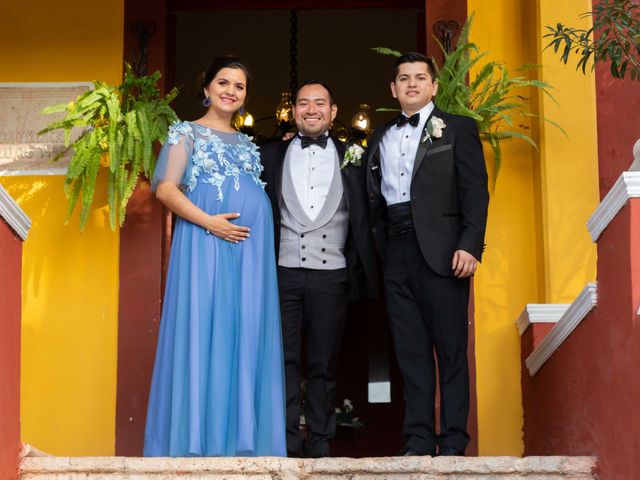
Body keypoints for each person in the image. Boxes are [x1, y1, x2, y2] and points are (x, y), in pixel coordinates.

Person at [144, 56, 286, 457]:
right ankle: (196, 441)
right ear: (206, 88)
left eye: (239, 86)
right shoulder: (185, 133)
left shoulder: (246, 142)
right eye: (223, 82)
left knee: (245, 329)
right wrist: (211, 222)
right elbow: (166, 190)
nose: (231, 91)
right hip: (205, 244)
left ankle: (242, 439)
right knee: (205, 325)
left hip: (250, 254)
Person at [365, 52, 489, 457]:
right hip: (396, 250)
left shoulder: (458, 129)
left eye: (420, 77)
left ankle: (453, 440)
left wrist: (470, 244)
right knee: (410, 349)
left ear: (434, 86)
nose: (412, 84)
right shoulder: (379, 137)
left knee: (451, 349)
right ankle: (417, 440)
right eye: (404, 78)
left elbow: (475, 192)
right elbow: (371, 199)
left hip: (444, 251)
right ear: (393, 88)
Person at [260, 79, 377, 458]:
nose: (311, 109)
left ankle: (321, 440)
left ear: (333, 112)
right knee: (283, 357)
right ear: (293, 110)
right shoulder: (270, 154)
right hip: (283, 270)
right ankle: (287, 437)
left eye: (319, 103)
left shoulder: (355, 155)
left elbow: (375, 210)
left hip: (334, 271)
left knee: (324, 359)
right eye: (303, 103)